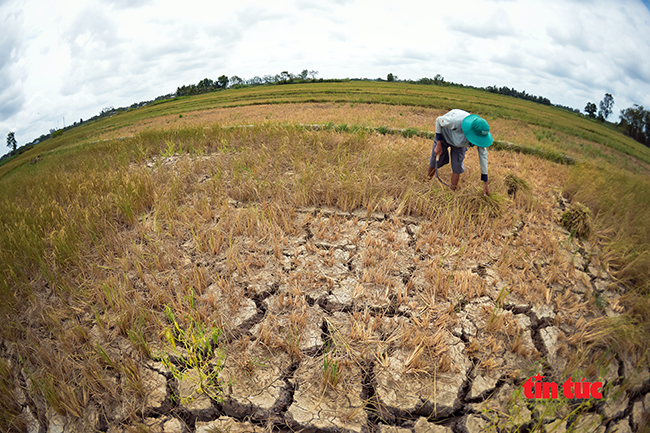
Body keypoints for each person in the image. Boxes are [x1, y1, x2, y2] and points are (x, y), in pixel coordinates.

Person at [427, 109, 493, 195]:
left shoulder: (479, 133)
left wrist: (485, 181)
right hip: (444, 135)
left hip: (459, 144)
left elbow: (483, 155)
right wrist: (438, 143)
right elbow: (439, 120)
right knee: (435, 160)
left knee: (457, 166)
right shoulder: (455, 121)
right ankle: (426, 182)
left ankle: (451, 193)